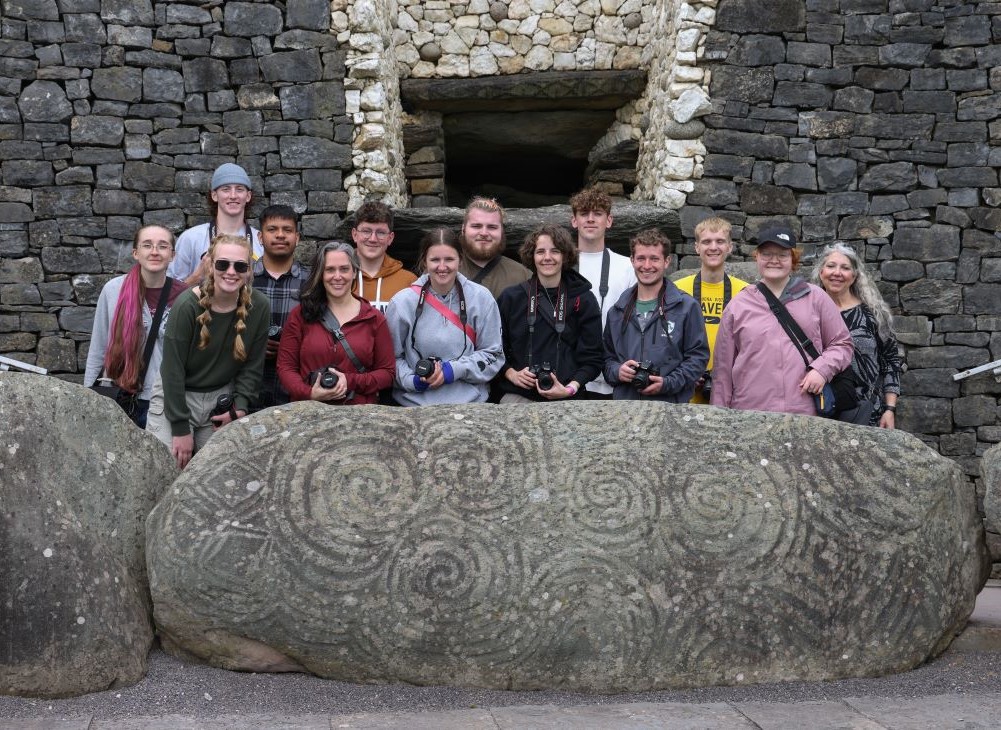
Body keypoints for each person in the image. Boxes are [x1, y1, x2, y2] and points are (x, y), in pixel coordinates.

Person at [147, 234, 270, 469]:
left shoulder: (259, 307)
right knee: (165, 469)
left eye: (240, 266)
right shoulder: (186, 305)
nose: (231, 272)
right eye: (223, 264)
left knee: (221, 473)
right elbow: (172, 371)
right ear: (210, 265)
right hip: (176, 395)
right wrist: (181, 428)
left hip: (220, 397)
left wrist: (240, 407)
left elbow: (253, 366)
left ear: (249, 270)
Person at [711, 225, 853, 416]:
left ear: (793, 259)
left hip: (804, 411)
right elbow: (723, 372)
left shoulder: (816, 297)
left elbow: (842, 344)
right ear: (757, 257)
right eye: (767, 254)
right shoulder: (738, 305)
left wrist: (822, 370)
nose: (774, 260)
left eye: (782, 255)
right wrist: (718, 417)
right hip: (749, 412)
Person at [386, 227, 504, 406]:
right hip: (413, 406)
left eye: (449, 259)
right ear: (425, 262)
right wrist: (413, 380)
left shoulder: (481, 298)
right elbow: (390, 359)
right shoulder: (402, 302)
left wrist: (454, 370)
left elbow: (493, 354)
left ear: (460, 260)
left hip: (471, 405)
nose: (442, 267)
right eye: (435, 260)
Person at [85, 225, 187, 428]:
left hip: (163, 401)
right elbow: (99, 346)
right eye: (147, 245)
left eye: (163, 246)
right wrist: (87, 395)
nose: (155, 251)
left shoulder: (185, 296)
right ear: (136, 253)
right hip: (118, 395)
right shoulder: (114, 290)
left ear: (172, 255)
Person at [277, 242, 394, 405]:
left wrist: (350, 381)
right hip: (308, 414)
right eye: (330, 269)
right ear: (320, 274)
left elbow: (387, 373)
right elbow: (285, 367)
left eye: (344, 269)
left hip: (359, 416)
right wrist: (310, 393)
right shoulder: (300, 315)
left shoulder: (374, 319)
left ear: (354, 272)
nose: (337, 276)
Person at [496, 224, 603, 403]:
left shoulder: (583, 298)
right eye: (540, 252)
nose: (547, 257)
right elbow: (494, 348)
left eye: (555, 251)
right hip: (520, 394)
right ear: (532, 256)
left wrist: (570, 388)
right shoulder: (511, 298)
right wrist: (511, 374)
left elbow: (593, 358)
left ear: (565, 256)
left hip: (569, 396)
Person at [603, 229, 709, 402]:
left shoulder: (686, 307)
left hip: (672, 408)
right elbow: (606, 359)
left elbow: (698, 358)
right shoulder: (617, 311)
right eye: (641, 258)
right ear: (632, 260)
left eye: (654, 259)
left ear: (667, 261)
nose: (646, 266)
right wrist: (617, 371)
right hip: (624, 409)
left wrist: (668, 383)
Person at [813, 243, 902, 428]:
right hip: (818, 410)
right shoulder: (808, 313)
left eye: (845, 268)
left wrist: (890, 409)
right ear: (821, 272)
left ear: (854, 276)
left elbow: (891, 361)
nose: (837, 273)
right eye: (831, 266)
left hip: (867, 412)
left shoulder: (873, 315)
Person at [569, 187, 637, 399]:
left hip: (614, 374)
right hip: (569, 375)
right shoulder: (560, 266)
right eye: (584, 213)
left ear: (609, 221)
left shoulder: (628, 266)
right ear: (574, 221)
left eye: (597, 213)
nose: (590, 219)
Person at [674, 216, 749, 403]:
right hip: (685, 387)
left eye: (720, 241)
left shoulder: (746, 292)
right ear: (697, 247)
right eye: (706, 241)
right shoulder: (676, 289)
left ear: (730, 247)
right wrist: (685, 370)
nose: (713, 247)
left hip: (733, 390)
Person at [251, 204, 310, 410]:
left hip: (294, 392)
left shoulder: (311, 282)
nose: (280, 235)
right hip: (247, 390)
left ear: (297, 237)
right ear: (260, 237)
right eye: (272, 229)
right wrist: (254, 343)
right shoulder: (242, 277)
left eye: (287, 230)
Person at [168, 163, 263, 287]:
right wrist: (197, 276)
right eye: (226, 189)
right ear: (214, 195)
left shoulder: (260, 240)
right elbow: (169, 296)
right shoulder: (191, 238)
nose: (233, 196)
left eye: (239, 189)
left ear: (248, 196)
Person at [350, 201, 417, 312]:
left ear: (390, 238)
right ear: (354, 235)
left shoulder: (409, 282)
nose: (373, 239)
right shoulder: (339, 278)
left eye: (380, 233)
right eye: (366, 231)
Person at [457, 196, 530, 298]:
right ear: (463, 229)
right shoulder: (442, 270)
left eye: (492, 227)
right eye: (476, 226)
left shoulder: (522, 276)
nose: (484, 233)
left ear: (501, 231)